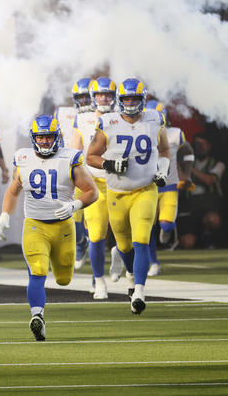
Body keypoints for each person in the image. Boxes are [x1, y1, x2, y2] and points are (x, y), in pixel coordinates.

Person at [0, 114, 98, 340]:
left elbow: (93, 192)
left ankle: (82, 241)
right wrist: (5, 215)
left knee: (64, 279)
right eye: (40, 138)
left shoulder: (70, 158)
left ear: (57, 137)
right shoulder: (23, 158)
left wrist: (75, 205)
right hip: (35, 225)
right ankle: (37, 316)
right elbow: (14, 190)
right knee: (38, 270)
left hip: (63, 227)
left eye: (48, 137)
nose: (44, 142)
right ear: (34, 138)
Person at [86, 78, 170, 315]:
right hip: (117, 193)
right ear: (120, 101)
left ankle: (139, 291)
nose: (131, 103)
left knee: (141, 239)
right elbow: (90, 156)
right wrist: (110, 164)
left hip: (145, 189)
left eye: (135, 98)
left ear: (143, 100)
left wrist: (162, 170)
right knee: (123, 245)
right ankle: (129, 270)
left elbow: (164, 150)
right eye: (127, 99)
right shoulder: (109, 122)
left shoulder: (155, 119)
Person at [70, 77, 118, 298]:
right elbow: (73, 150)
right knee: (96, 234)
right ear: (93, 97)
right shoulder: (82, 119)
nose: (104, 98)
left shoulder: (124, 117)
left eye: (108, 94)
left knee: (124, 234)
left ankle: (120, 255)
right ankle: (98, 281)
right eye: (100, 95)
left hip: (121, 182)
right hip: (95, 182)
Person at [144, 101, 194, 276]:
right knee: (147, 229)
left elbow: (188, 152)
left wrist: (186, 175)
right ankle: (154, 262)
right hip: (147, 187)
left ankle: (167, 232)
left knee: (166, 226)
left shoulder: (175, 134)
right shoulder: (138, 134)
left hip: (169, 186)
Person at [63, 77, 94, 274]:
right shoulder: (66, 115)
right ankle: (81, 242)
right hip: (78, 173)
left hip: (100, 175)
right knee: (73, 216)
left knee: (95, 223)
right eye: (79, 97)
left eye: (86, 97)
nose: (83, 101)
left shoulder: (108, 116)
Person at [178, 133, 225, 249]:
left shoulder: (218, 164)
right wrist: (179, 165)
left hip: (208, 207)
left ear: (209, 146)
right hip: (190, 209)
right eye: (196, 144)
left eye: (202, 144)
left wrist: (190, 168)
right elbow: (181, 184)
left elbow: (209, 180)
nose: (199, 147)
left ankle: (208, 239)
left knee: (213, 219)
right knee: (188, 242)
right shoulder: (186, 164)